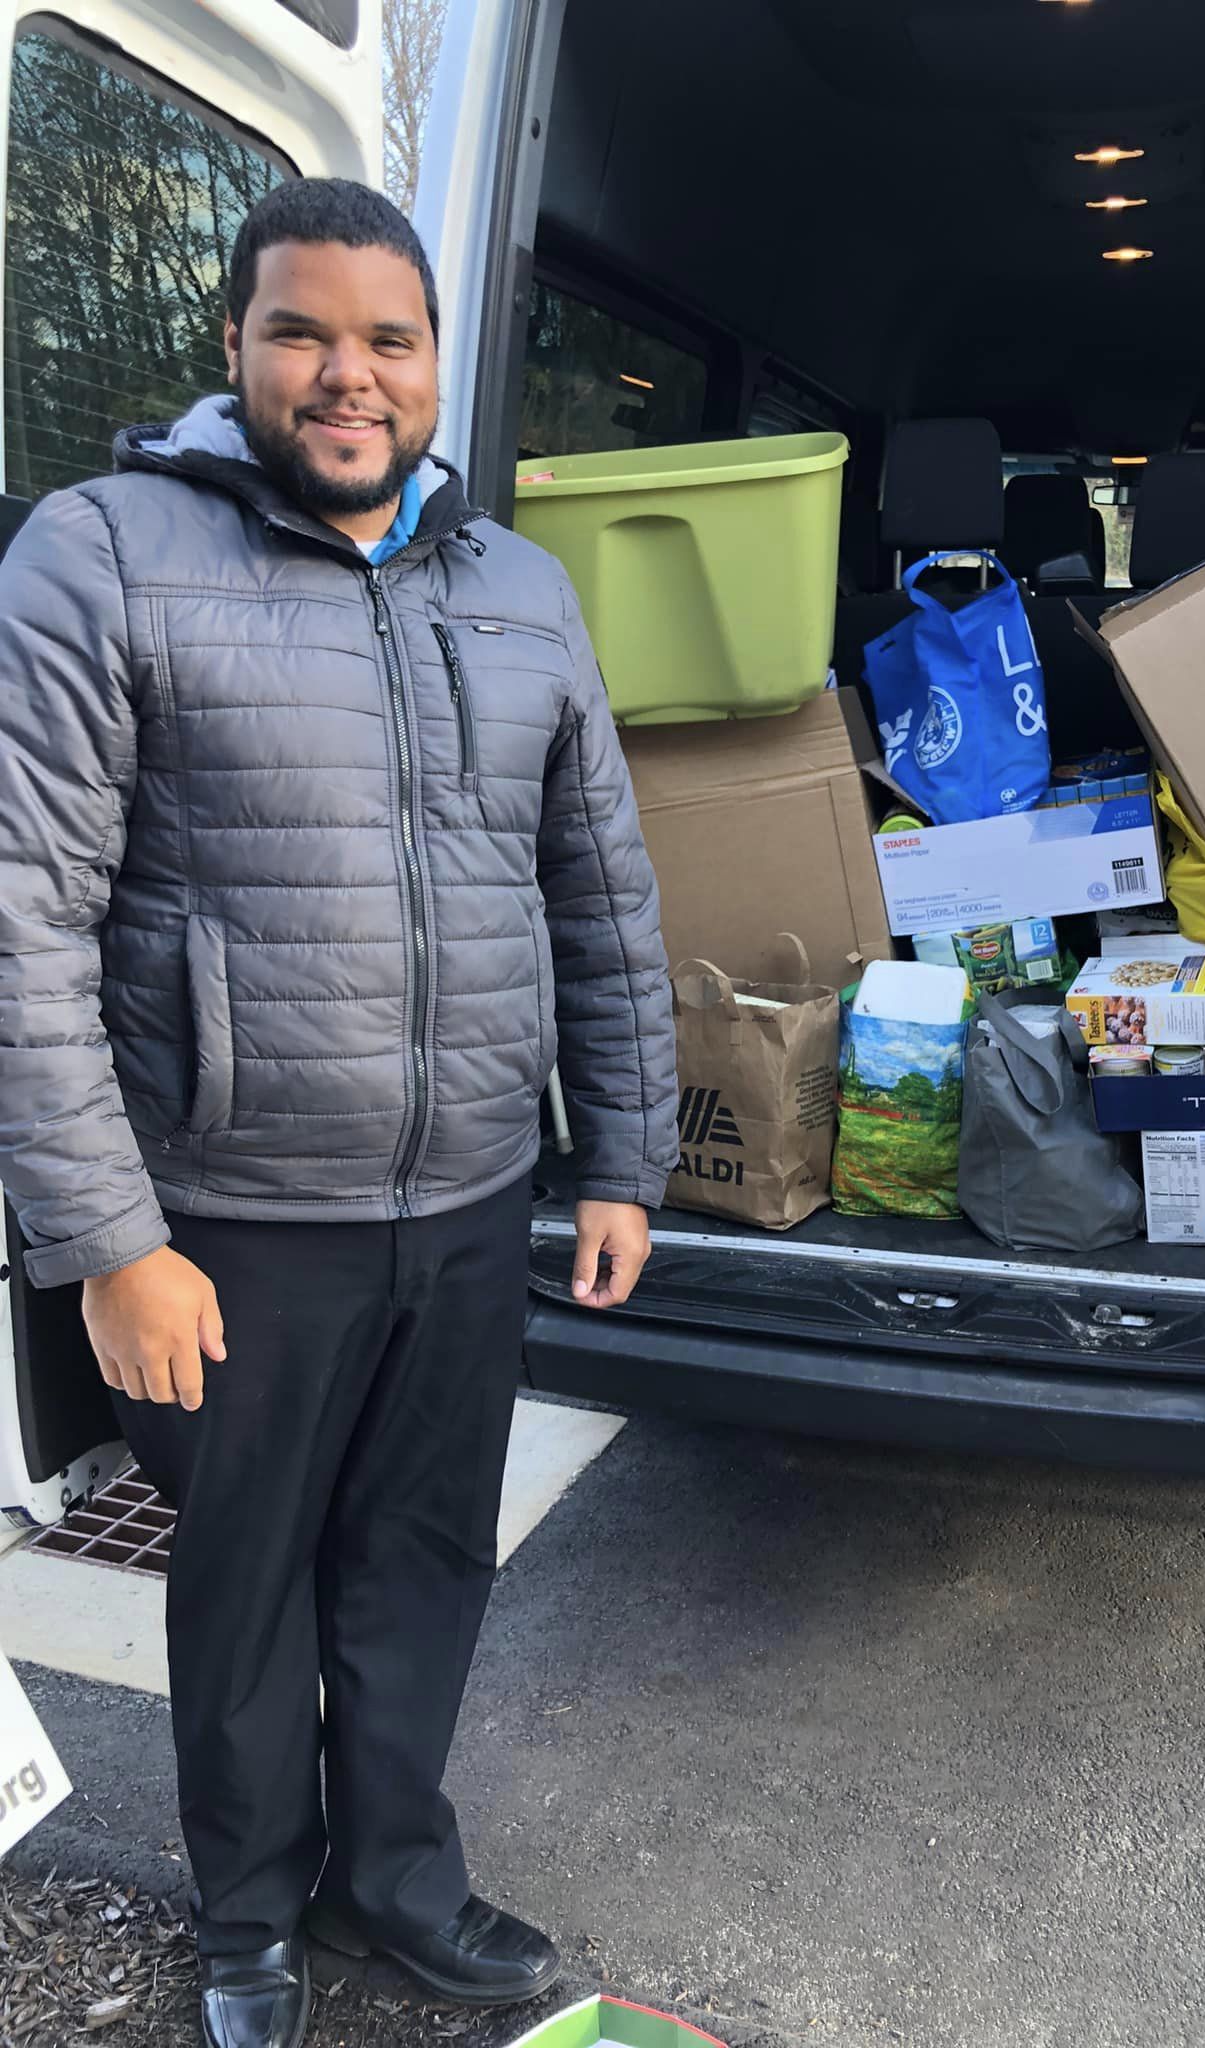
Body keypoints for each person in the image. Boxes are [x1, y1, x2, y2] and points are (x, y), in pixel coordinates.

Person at [0, 179, 678, 2048]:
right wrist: (110, 1242)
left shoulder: (521, 590)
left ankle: (395, 1883)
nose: (347, 375)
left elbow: (600, 895)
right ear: (234, 345)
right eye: (303, 331)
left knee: (423, 1567)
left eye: (390, 339)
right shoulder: (102, 553)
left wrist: (620, 1154)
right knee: (244, 1596)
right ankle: (244, 1925)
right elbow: (23, 919)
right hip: (224, 1216)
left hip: (467, 1202)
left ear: (439, 362)